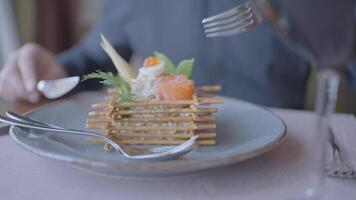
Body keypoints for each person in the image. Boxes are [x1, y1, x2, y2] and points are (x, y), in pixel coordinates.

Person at [0, 0, 354, 109]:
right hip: (160, 171)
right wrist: (54, 69)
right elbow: (96, 58)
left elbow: (342, 55)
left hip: (276, 162)